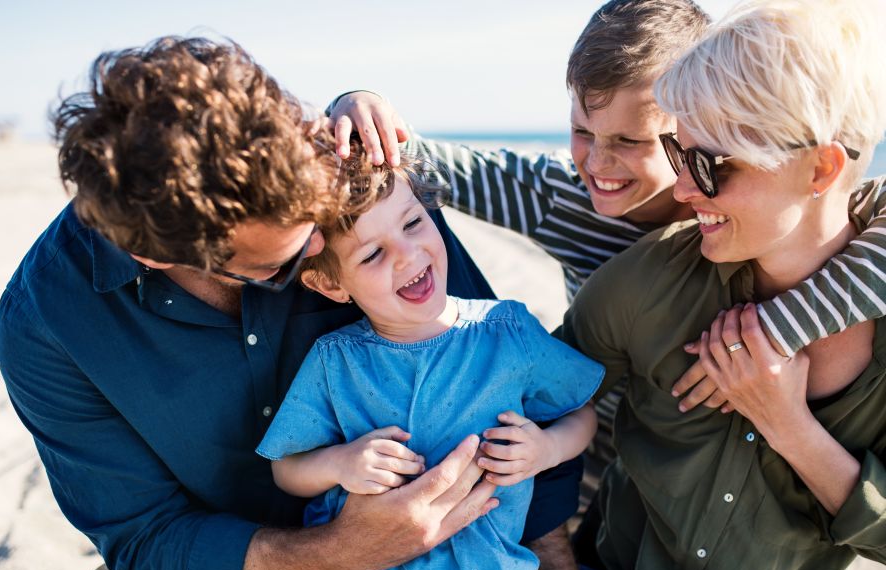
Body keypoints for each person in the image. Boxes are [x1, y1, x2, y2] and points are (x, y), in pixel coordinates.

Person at [0, 37, 584, 570]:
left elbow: (502, 384)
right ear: (160, 257)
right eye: (282, 265)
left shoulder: (334, 184)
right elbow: (149, 540)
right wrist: (342, 551)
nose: (318, 254)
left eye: (318, 224)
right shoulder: (48, 323)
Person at [328, 0, 886, 518]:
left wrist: (778, 327)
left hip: (723, 486)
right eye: (580, 130)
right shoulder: (562, 196)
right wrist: (353, 106)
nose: (597, 162)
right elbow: (412, 157)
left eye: (631, 140)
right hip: (594, 462)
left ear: (690, 121)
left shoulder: (753, 202)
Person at [555, 0, 886, 570]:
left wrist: (788, 422)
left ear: (819, 170)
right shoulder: (643, 282)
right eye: (678, 151)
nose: (680, 187)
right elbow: (534, 398)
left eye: (709, 165)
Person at [255, 144, 635, 570]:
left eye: (413, 223)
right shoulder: (336, 361)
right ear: (330, 283)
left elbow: (581, 411)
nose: (408, 256)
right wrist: (340, 463)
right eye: (372, 254)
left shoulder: (506, 332)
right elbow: (286, 469)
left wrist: (546, 447)